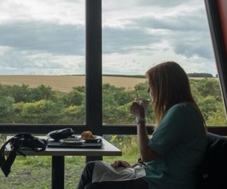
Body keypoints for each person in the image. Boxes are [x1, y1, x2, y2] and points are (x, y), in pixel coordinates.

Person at [77, 61, 207, 189]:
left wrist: (140, 118)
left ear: (163, 86)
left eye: (150, 85)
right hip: (150, 173)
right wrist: (134, 165)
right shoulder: (183, 110)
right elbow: (160, 153)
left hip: (163, 182)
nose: (148, 90)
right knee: (92, 168)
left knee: (92, 187)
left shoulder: (180, 112)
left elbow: (147, 154)